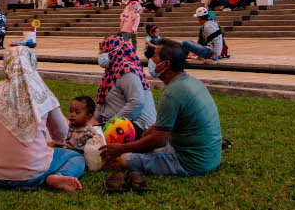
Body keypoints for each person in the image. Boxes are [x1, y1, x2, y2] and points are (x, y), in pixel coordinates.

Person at [100, 39, 222, 178]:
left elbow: (158, 141)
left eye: (155, 56)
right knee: (142, 146)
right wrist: (148, 133)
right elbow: (162, 128)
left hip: (190, 162)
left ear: (166, 64)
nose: (151, 59)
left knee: (122, 160)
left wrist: (122, 149)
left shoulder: (172, 92)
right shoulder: (191, 81)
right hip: (210, 157)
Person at [0, 46, 84, 191]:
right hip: (32, 174)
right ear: (32, 64)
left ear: (6, 65)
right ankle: (58, 175)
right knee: (76, 158)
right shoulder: (43, 93)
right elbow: (62, 133)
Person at [94, 36, 156, 138]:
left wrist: (110, 125)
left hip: (136, 126)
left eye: (102, 50)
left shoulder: (126, 70)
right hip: (118, 124)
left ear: (112, 50)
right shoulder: (111, 71)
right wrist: (94, 122)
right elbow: (102, 102)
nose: (99, 54)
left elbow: (137, 102)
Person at [57, 96, 105, 168]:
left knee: (77, 163)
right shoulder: (68, 126)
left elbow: (98, 148)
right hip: (63, 152)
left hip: (76, 157)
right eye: (71, 111)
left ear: (87, 117)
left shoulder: (89, 132)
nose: (72, 115)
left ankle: (60, 174)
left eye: (77, 112)